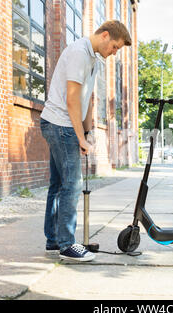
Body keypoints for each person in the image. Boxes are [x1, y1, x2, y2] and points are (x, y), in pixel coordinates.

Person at [39, 20, 132, 262]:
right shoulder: (79, 53)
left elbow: (86, 97)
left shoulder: (93, 59)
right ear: (104, 35)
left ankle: (53, 240)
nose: (114, 52)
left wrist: (88, 131)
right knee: (71, 184)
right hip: (60, 124)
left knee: (58, 184)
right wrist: (80, 137)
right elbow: (71, 99)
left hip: (63, 124)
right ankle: (67, 245)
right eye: (115, 47)